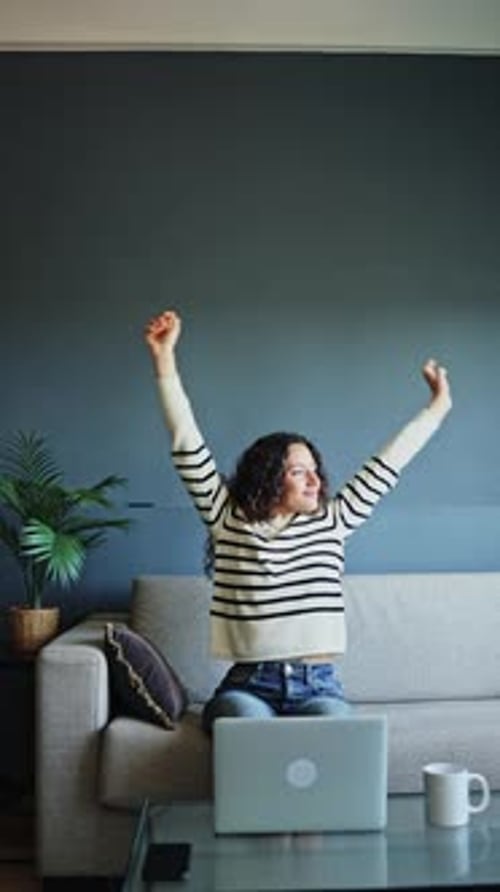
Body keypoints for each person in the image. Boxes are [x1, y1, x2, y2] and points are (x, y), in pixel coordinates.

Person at [145, 309, 452, 732]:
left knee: (339, 739)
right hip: (248, 686)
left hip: (319, 686)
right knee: (247, 734)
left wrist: (437, 409)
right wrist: (165, 362)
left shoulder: (334, 520)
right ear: (269, 478)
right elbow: (186, 443)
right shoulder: (227, 518)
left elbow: (390, 462)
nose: (315, 480)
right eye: (297, 471)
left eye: (315, 470)